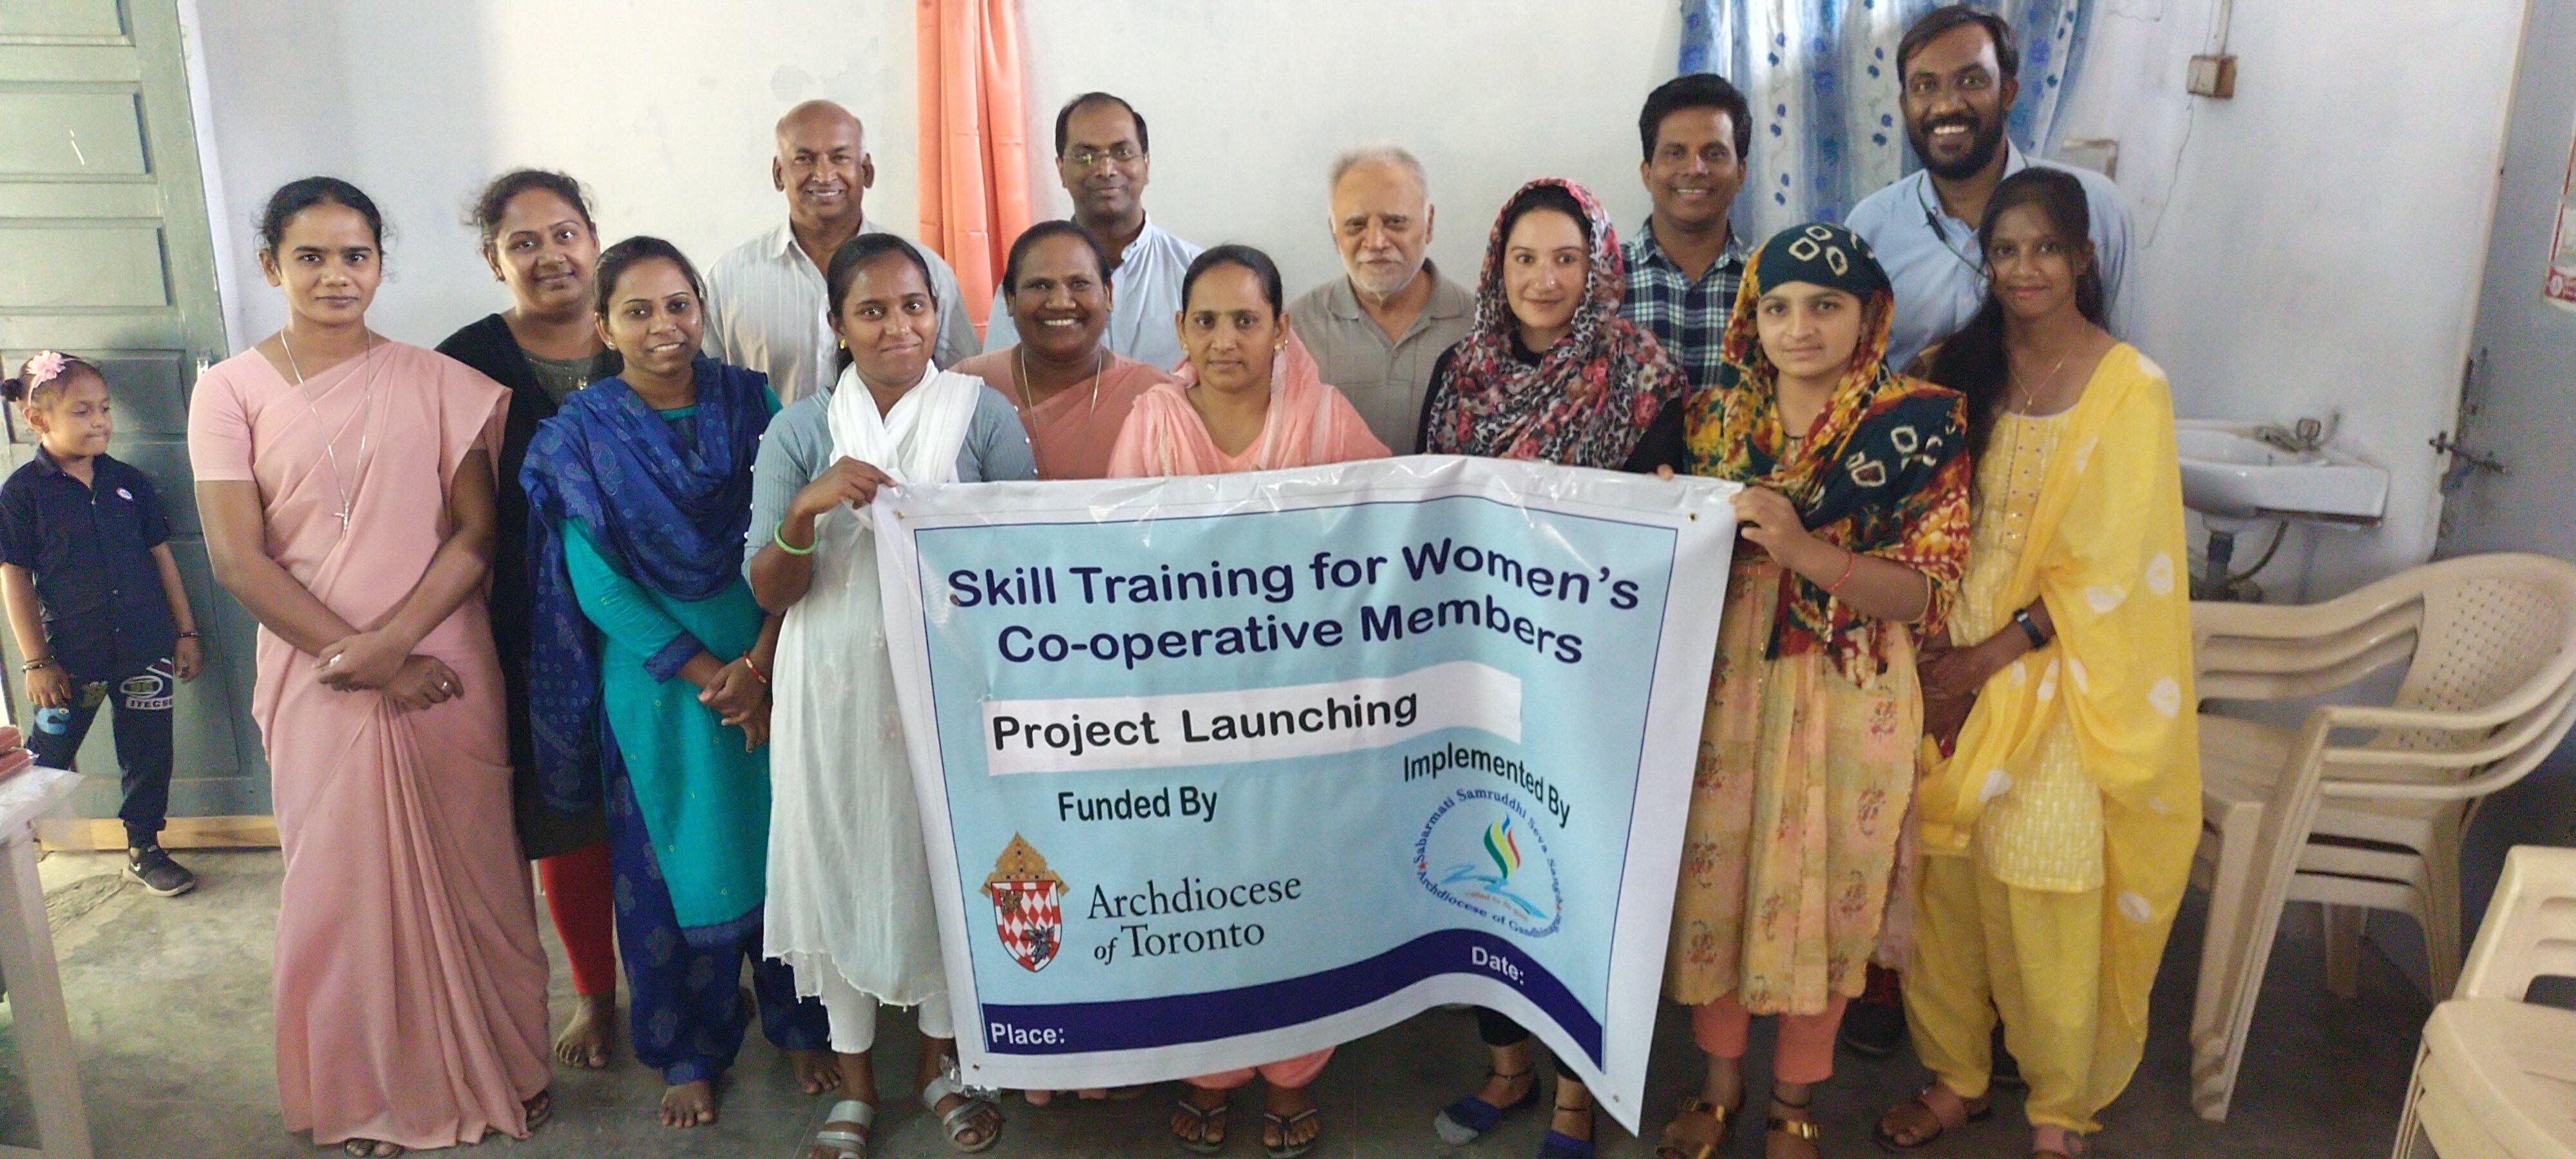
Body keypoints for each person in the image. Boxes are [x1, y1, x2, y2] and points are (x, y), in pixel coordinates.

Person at [189, 177, 551, 1156]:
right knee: (345, 890)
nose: (336, 275)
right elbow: (236, 559)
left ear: (381, 264)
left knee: (477, 872)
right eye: (310, 257)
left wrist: (395, 645)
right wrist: (371, 663)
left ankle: (508, 1065)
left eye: (356, 255)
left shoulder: (436, 381)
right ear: (271, 266)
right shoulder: (230, 391)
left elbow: (475, 534)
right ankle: (377, 1095)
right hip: (319, 677)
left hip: (445, 662)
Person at [1871, 167, 2199, 1159]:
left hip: (2057, 675)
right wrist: (1930, 655)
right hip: (1938, 656)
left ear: (2085, 258)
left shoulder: (2129, 388)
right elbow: (1907, 517)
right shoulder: (1950, 366)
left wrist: (1986, 660)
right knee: (1943, 885)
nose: (2025, 269)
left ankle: (2058, 1109)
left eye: (2047, 248)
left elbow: (2115, 569)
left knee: (2045, 888)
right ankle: (1957, 1077)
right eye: (2006, 250)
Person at [1654, 221, 1971, 1159]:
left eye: (1826, 306)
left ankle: (1795, 1100)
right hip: (1724, 683)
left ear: (1869, 316)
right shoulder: (1707, 422)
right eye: (1779, 307)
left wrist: (1800, 550)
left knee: (1829, 890)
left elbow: (1925, 593)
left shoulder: (1922, 425)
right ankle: (1719, 1085)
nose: (1800, 328)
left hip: (1852, 685)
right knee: (1716, 884)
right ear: (1751, 319)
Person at [520, 236, 841, 1130]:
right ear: (603, 327)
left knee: (785, 846)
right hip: (661, 687)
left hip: (770, 654)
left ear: (702, 310)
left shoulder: (751, 401)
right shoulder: (579, 436)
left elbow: (796, 530)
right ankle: (690, 1050)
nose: (663, 326)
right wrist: (715, 677)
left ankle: (801, 1024)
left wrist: (762, 663)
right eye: (638, 311)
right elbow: (599, 587)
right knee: (669, 865)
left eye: (678, 305)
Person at [1416, 178, 1687, 1159]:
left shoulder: (1642, 373)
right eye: (1525, 258)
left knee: (1572, 867)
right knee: (1480, 864)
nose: (1544, 278)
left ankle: (1577, 1089)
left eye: (1566, 258)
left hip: (1586, 666)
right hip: (1480, 660)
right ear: (1498, 265)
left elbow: (1654, 521)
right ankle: (1507, 1066)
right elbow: (1429, 505)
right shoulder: (1463, 369)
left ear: (1599, 264)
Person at [750, 233, 1032, 1158]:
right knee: (839, 860)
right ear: (837, 325)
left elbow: (1025, 561)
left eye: (914, 305)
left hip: (949, 681)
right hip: (830, 687)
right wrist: (806, 507)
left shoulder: (980, 415)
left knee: (941, 861)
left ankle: (941, 1067)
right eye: (871, 310)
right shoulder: (801, 431)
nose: (898, 326)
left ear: (936, 313)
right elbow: (769, 590)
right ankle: (857, 1085)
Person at [1111, 245, 1383, 1157]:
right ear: (1181, 330)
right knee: (1200, 887)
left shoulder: (1324, 415)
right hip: (1186, 714)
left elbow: (1390, 534)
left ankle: (1294, 1072)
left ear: (1280, 329)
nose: (1224, 340)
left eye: (1245, 320)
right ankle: (1211, 1068)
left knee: (1297, 886)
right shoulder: (1153, 420)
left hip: (1302, 712)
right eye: (1206, 321)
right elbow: (1110, 565)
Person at [433, 168, 623, 1071]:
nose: (550, 256)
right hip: (529, 633)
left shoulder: (643, 329)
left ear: (594, 239)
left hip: (655, 621)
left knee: (671, 807)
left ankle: (687, 980)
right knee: (565, 819)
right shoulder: (464, 362)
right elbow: (447, 509)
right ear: (493, 259)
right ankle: (595, 995)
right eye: (524, 243)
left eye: (564, 234)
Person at [1, 352, 202, 896]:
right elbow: (13, 578)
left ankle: (144, 847)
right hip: (72, 658)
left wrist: (185, 633)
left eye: (105, 409)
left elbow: (162, 558)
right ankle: (12, 846)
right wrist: (37, 662)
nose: (100, 422)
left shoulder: (129, 482)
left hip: (145, 649)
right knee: (46, 756)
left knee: (149, 753)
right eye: (82, 411)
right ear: (37, 419)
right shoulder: (22, 494)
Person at [1844, 5, 2135, 376]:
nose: (1946, 105)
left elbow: (2126, 364)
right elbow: (1852, 379)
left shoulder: (2095, 206)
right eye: (1925, 86)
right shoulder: (1870, 228)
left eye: (1971, 81)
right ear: (1904, 105)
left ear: (2008, 93)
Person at [705, 100, 976, 404]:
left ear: (866, 172)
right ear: (779, 174)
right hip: (772, 437)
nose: (824, 175)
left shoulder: (925, 271)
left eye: (840, 158)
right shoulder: (730, 280)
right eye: (804, 159)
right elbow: (707, 395)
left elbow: (962, 385)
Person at [983, 92, 1203, 371]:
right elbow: (999, 382)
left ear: (1146, 164)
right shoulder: (1028, 280)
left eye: (1123, 153)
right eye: (1085, 157)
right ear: (1061, 169)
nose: (1106, 170)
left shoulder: (1196, 274)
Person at [1286, 146, 1473, 453]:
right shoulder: (1294, 333)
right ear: (1333, 232)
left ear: (1429, 224)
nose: (1375, 242)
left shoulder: (1482, 331)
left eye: (1395, 222)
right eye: (1356, 225)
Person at [951, 220, 1170, 480]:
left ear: (1109, 295)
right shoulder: (965, 388)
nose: (1060, 303)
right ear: (1010, 299)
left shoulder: (1157, 396)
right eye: (1040, 286)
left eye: (1079, 284)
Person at [1626, 73, 1755, 393]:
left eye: (1714, 154)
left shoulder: (1767, 282)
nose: (1695, 168)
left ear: (1741, 173)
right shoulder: (1602, 280)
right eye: (1675, 153)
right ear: (1647, 173)